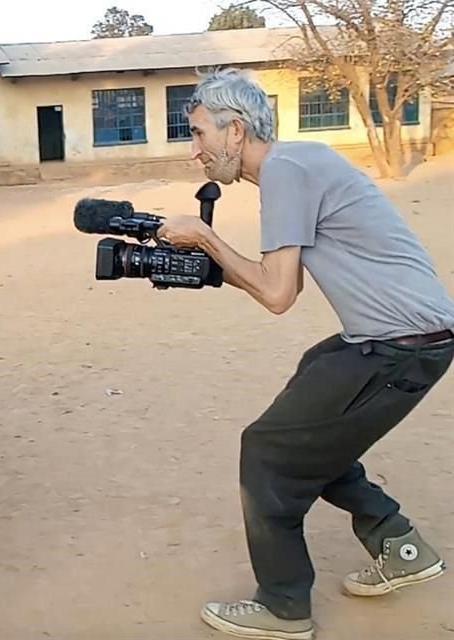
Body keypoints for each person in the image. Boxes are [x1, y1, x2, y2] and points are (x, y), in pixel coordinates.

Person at [156, 68, 454, 640]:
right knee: (305, 417)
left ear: (235, 131)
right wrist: (210, 260)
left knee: (267, 449)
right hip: (390, 340)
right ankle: (399, 545)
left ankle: (283, 606)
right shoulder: (298, 163)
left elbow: (276, 293)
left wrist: (207, 239)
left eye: (197, 134)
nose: (193, 149)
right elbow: (275, 283)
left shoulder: (286, 171)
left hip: (399, 348)